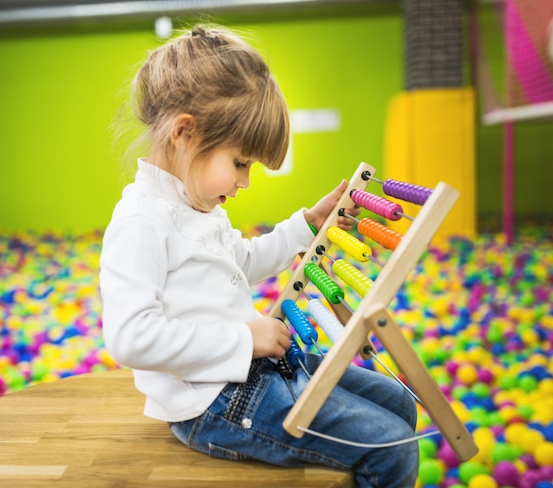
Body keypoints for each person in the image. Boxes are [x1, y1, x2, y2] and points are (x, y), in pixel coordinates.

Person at [99, 24, 419, 487]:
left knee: (400, 404)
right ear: (185, 133)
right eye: (240, 163)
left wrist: (306, 225)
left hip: (254, 369)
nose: (245, 182)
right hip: (214, 403)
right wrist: (244, 339)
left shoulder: (195, 204)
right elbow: (130, 338)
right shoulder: (141, 222)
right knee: (394, 449)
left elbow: (240, 264)